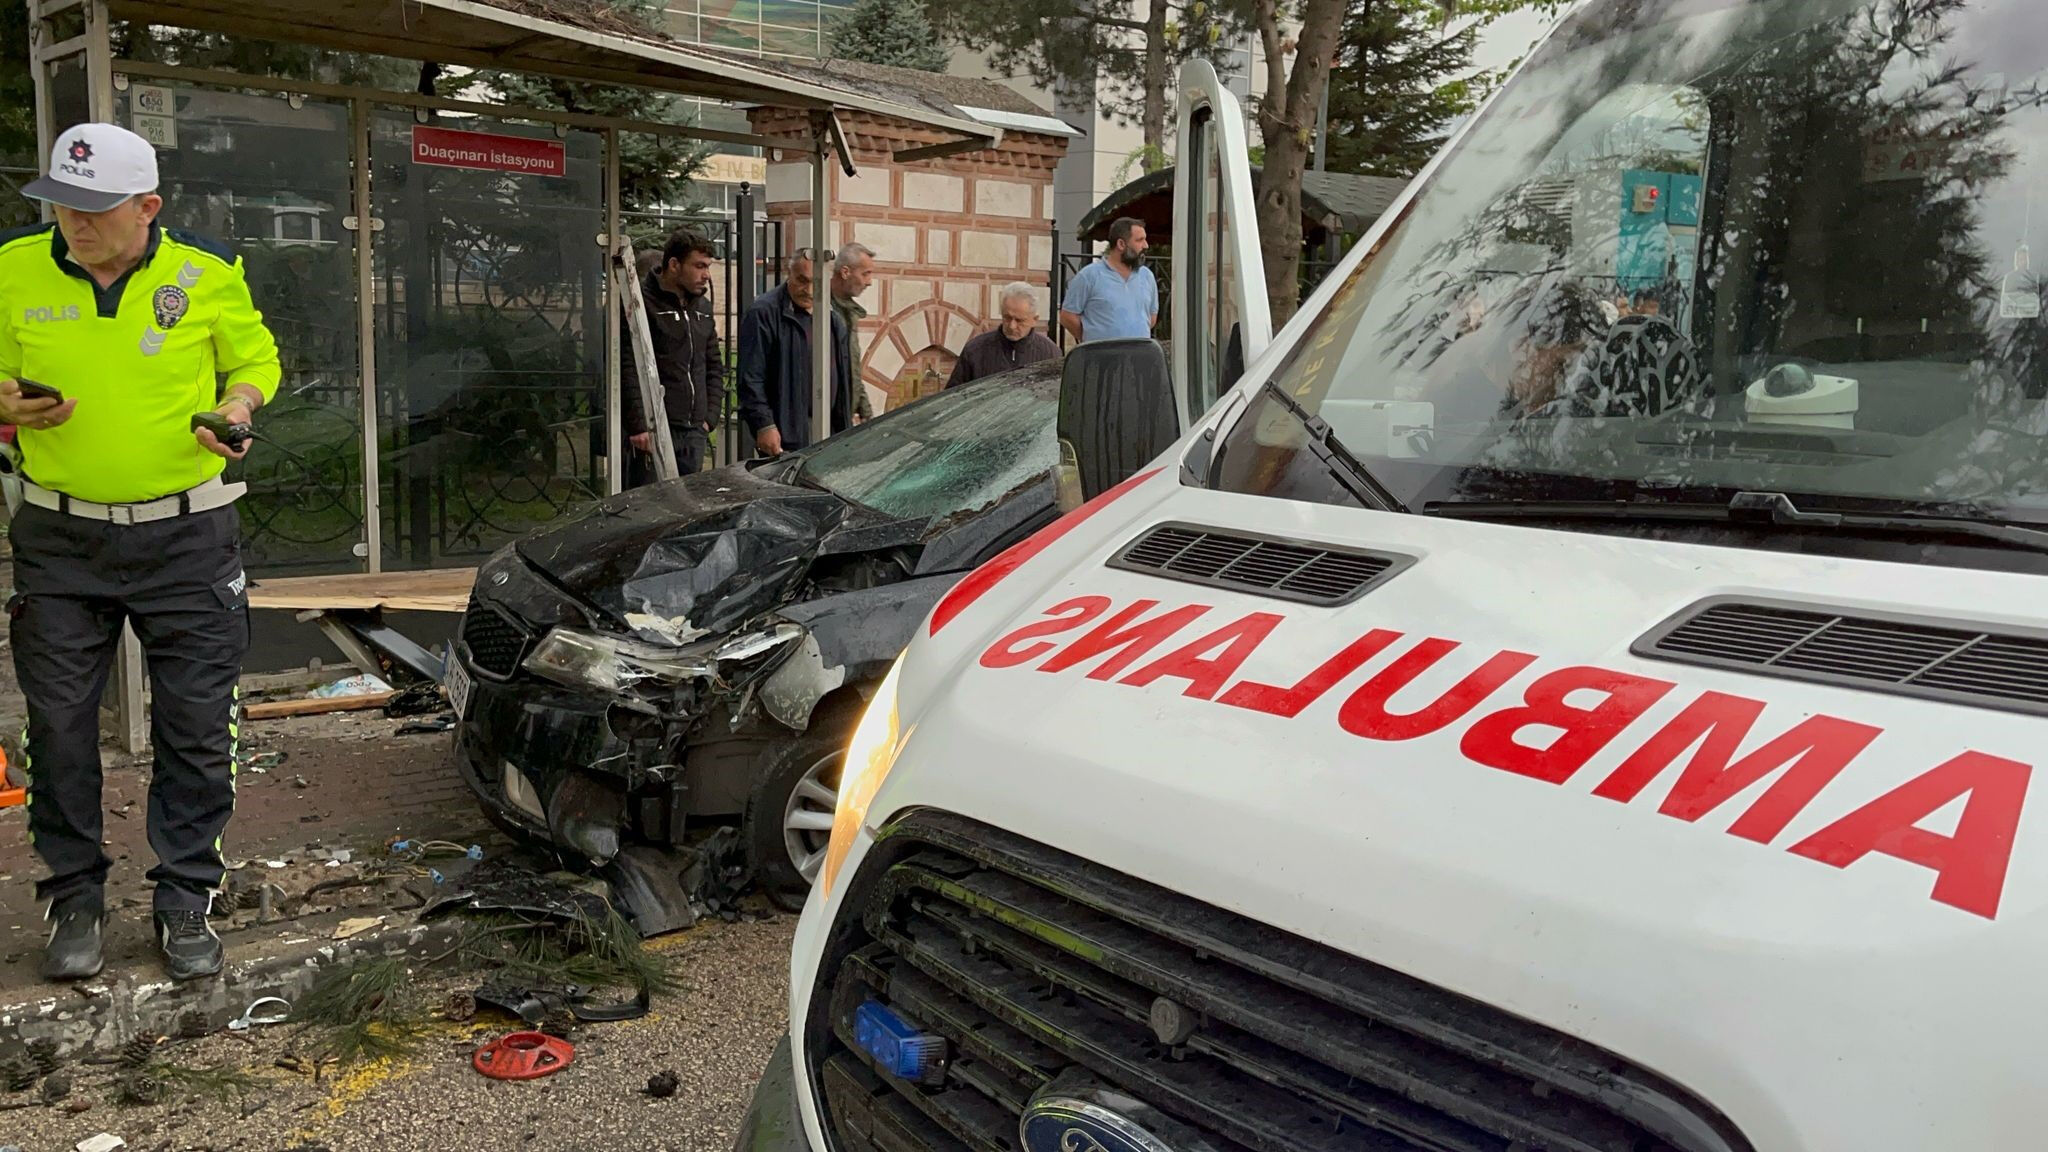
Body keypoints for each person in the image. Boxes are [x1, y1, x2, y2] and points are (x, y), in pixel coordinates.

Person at [0, 123, 281, 982]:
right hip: (58, 538)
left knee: (197, 726)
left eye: (92, 210)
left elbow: (256, 359)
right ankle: (74, 899)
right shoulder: (10, 269)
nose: (72, 225)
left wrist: (235, 410)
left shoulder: (206, 270)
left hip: (189, 536)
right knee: (59, 729)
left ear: (147, 207)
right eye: (60, 206)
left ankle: (185, 896)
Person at [623, 229, 723, 483]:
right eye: (699, 266)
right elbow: (629, 364)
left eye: (708, 267)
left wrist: (709, 417)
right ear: (674, 265)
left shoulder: (702, 307)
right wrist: (639, 425)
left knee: (688, 508)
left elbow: (712, 363)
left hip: (694, 431)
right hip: (654, 428)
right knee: (648, 509)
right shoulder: (641, 303)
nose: (706, 275)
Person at [737, 249, 852, 455]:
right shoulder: (764, 313)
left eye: (816, 282)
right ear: (788, 274)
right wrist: (764, 424)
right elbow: (750, 377)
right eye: (802, 280)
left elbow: (843, 379)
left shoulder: (833, 319)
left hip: (828, 430)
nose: (808, 290)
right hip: (785, 435)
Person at [1059, 217, 1157, 343]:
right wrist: (1093, 340)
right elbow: (1068, 317)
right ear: (1121, 244)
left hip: (1139, 357)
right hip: (1101, 358)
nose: (1146, 245)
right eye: (1139, 240)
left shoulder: (1147, 276)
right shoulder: (1089, 276)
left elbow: (1151, 317)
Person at [948, 283, 1062, 388]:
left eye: (1019, 320)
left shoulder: (1050, 354)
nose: (1012, 326)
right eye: (1007, 318)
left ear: (1034, 320)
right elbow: (951, 398)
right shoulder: (975, 350)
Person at [828, 242, 876, 424]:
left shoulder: (848, 311)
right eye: (865, 274)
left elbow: (852, 367)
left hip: (843, 415)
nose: (869, 282)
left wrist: (865, 410)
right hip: (823, 414)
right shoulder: (824, 308)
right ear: (845, 272)